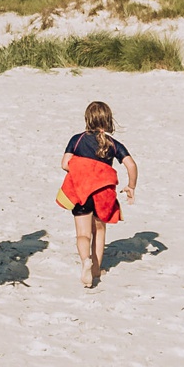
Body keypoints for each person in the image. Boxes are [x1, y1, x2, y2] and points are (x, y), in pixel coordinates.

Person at [57, 101, 137, 288]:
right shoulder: (113, 144)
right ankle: (96, 270)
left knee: (83, 234)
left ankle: (86, 261)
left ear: (87, 119)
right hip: (103, 194)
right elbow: (131, 165)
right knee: (99, 231)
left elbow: (64, 163)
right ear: (108, 120)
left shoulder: (77, 139)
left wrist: (83, 169)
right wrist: (131, 186)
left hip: (82, 192)